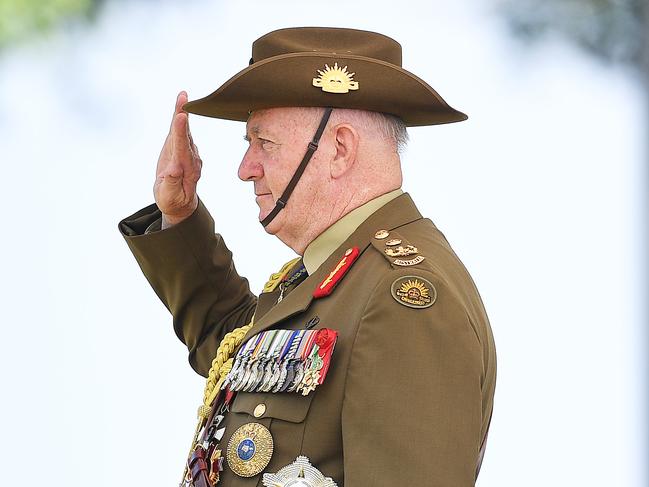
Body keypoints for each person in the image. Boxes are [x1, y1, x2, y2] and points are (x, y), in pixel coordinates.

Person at [119, 27, 496, 487]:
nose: (245, 169)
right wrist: (180, 217)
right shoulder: (337, 274)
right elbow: (237, 353)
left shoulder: (404, 300)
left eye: (265, 143)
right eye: (248, 144)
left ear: (339, 149)